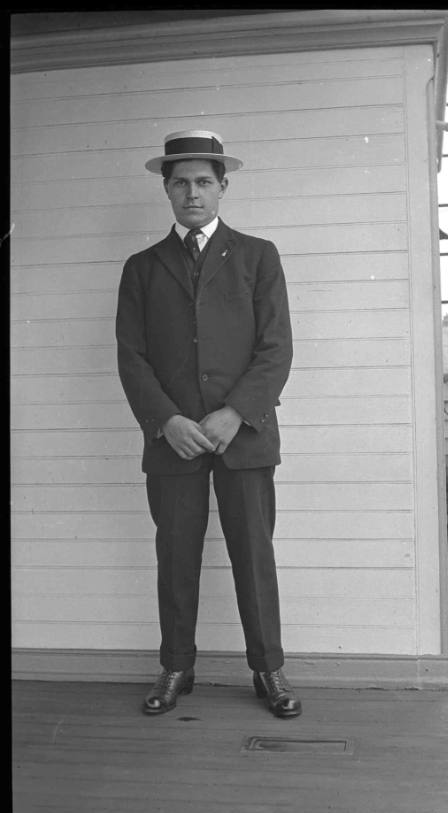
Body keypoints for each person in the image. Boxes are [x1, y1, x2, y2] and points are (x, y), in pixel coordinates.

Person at [116, 129, 302, 719]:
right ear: (166, 190)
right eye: (181, 182)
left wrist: (234, 413)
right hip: (173, 442)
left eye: (203, 181)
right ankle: (176, 666)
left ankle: (269, 670)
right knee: (174, 557)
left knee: (254, 555)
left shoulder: (257, 256)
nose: (192, 192)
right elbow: (131, 355)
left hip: (243, 438)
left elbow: (277, 349)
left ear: (223, 187)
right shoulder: (142, 268)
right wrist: (166, 420)